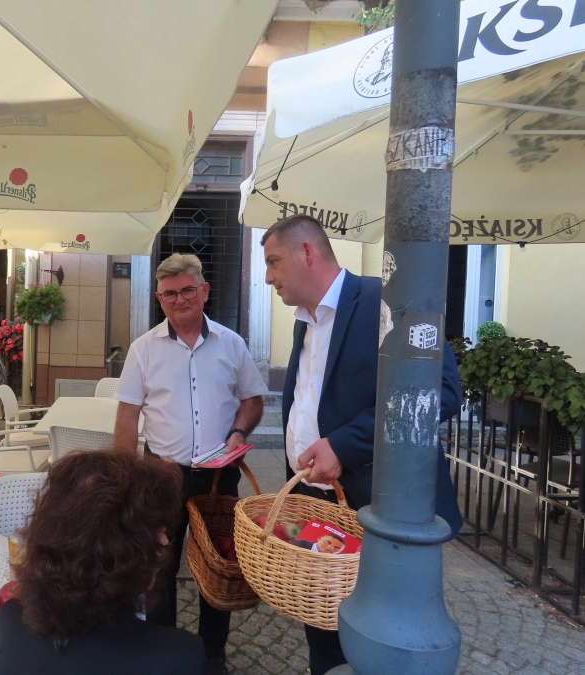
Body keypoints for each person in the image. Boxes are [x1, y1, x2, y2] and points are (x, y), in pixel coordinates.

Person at [263, 214, 463, 675]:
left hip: (378, 507)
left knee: (375, 637)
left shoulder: (386, 300)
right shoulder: (304, 320)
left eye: (273, 262)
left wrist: (344, 445)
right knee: (321, 620)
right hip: (315, 498)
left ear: (307, 252)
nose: (269, 277)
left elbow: (441, 393)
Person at [113, 253, 267, 674]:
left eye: (187, 290)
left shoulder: (232, 344)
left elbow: (253, 400)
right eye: (169, 294)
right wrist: (125, 484)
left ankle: (211, 655)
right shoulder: (143, 350)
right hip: (161, 477)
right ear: (158, 299)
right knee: (159, 569)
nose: (179, 299)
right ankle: (162, 654)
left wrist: (239, 432)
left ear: (205, 291)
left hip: (219, 478)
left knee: (219, 570)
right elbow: (127, 418)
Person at [0, 451, 209, 675]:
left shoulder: (8, 622)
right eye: (158, 531)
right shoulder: (182, 657)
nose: (165, 540)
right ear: (126, 558)